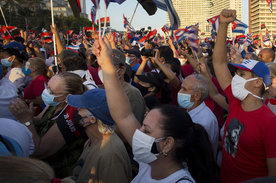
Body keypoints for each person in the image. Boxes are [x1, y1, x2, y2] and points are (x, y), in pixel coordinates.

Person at [93, 34, 218, 183]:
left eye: (146, 130)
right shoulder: (149, 161)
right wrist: (106, 64)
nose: (138, 132)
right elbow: (123, 115)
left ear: (167, 144)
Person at [213, 9, 276, 183]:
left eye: (242, 75)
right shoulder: (235, 102)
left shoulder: (270, 124)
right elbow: (219, 62)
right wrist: (223, 24)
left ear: (257, 82)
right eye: (236, 73)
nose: (235, 78)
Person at [9, 72, 88, 177]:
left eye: (51, 91)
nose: (46, 92)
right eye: (47, 86)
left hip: (56, 173)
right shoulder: (55, 102)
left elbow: (40, 151)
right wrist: (27, 114)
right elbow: (39, 119)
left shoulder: (72, 114)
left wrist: (26, 120)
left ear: (67, 97)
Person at [65, 88, 132, 183]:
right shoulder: (92, 141)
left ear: (92, 119)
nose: (77, 111)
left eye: (81, 108)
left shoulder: (110, 154)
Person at [99, 49, 146, 124]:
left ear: (122, 70)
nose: (103, 70)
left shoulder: (131, 93)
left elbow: (134, 124)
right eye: (101, 66)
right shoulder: (103, 90)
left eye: (109, 66)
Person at [178, 74, 219, 157]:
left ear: (197, 96)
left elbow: (198, 155)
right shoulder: (190, 110)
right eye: (181, 87)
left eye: (184, 89)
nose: (179, 92)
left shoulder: (204, 122)